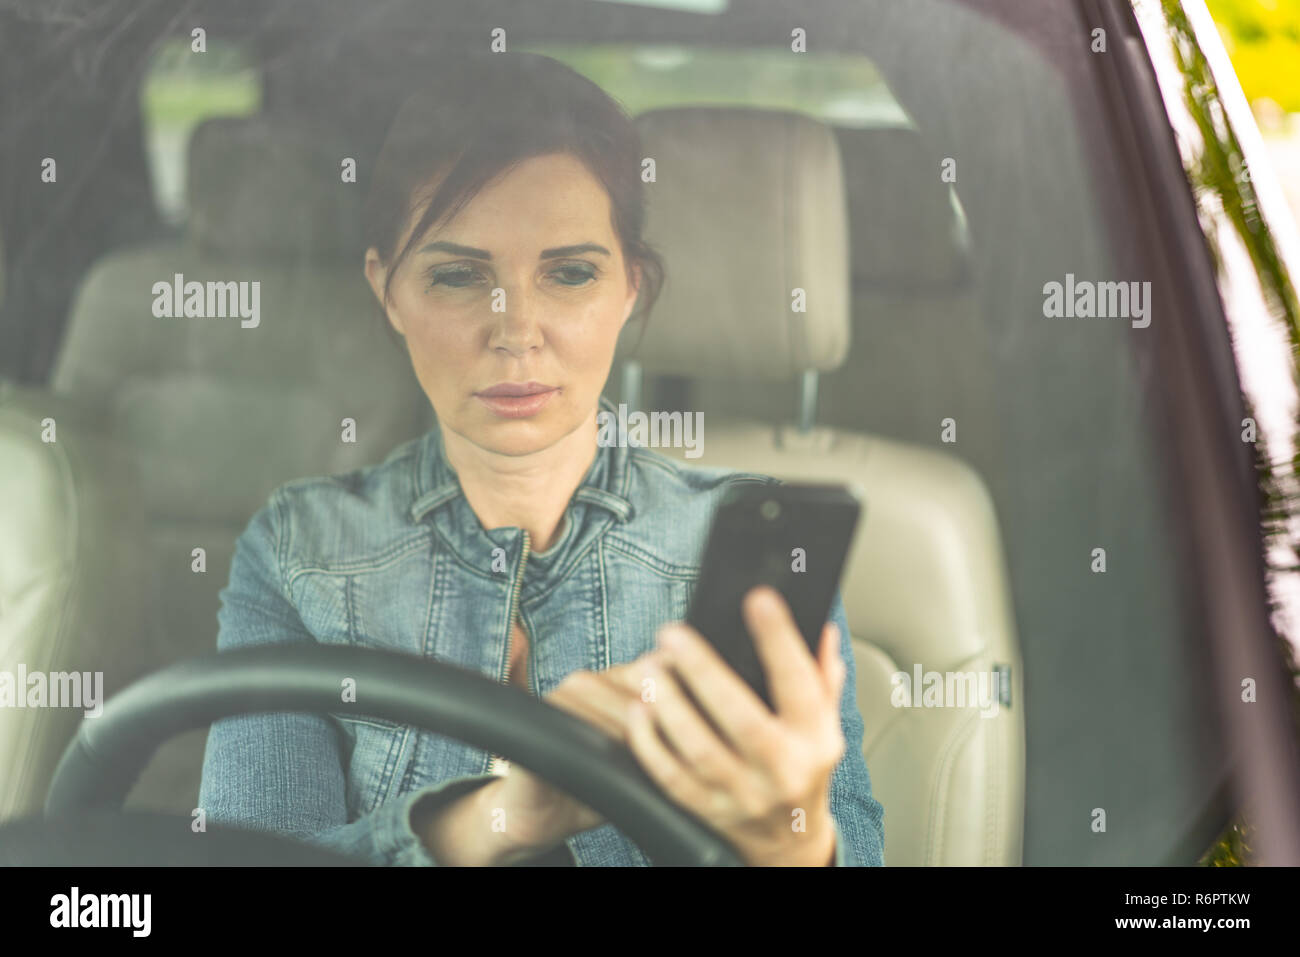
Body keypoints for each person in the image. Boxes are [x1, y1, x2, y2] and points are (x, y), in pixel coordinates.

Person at [199, 51, 885, 866]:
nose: (516, 329)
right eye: (458, 276)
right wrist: (501, 817)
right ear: (388, 290)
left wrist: (788, 844)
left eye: (568, 273)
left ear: (631, 286)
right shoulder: (299, 549)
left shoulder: (751, 547)